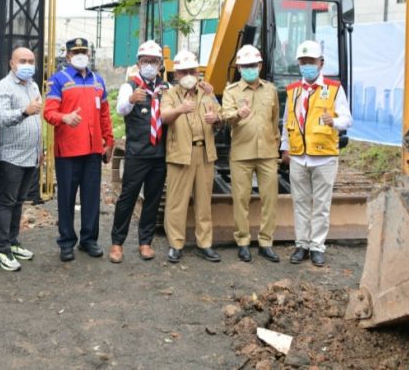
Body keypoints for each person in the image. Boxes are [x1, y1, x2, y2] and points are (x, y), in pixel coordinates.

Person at [281, 40, 352, 267]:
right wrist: (284, 147)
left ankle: (317, 246)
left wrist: (335, 122)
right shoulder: (293, 91)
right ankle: (301, 244)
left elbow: (348, 119)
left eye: (310, 61)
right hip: (298, 157)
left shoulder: (333, 88)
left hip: (324, 157)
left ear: (321, 63)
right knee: (300, 203)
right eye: (303, 62)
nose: (306, 66)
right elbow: (287, 122)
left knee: (321, 204)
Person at [43, 38, 114, 262]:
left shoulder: (98, 81)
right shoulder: (58, 81)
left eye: (84, 51)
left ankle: (89, 240)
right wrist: (64, 117)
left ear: (89, 54)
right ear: (68, 56)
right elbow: (48, 112)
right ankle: (66, 242)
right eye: (76, 52)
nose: (81, 55)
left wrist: (109, 140)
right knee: (66, 197)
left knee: (92, 197)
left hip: (93, 150)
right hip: (68, 151)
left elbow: (104, 114)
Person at [109, 40, 168, 263]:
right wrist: (132, 100)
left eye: (154, 61)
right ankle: (117, 244)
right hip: (137, 153)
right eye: (145, 61)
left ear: (160, 64)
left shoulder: (166, 89)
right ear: (138, 63)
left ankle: (145, 242)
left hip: (159, 154)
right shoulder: (129, 86)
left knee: (153, 199)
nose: (149, 65)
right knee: (128, 198)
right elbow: (121, 108)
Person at [160, 50, 222, 264]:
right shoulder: (170, 94)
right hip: (180, 154)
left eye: (192, 71)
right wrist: (180, 109)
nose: (188, 75)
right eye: (183, 71)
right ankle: (176, 244)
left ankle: (205, 243)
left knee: (204, 203)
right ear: (176, 74)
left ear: (198, 72)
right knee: (176, 202)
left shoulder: (206, 92)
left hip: (205, 153)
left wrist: (216, 118)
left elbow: (219, 114)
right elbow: (165, 117)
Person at [221, 45, 281, 263]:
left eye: (253, 66)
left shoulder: (271, 90)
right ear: (238, 67)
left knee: (269, 199)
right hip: (241, 152)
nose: (249, 69)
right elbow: (225, 116)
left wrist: (277, 145)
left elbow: (275, 121)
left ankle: (266, 242)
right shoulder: (232, 91)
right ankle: (243, 242)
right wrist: (238, 113)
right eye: (245, 66)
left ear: (260, 66)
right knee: (241, 200)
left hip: (267, 152)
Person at [0, 47, 43, 272]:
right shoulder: (3, 86)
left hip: (30, 154)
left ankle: (13, 241)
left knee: (19, 201)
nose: (28, 64)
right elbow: (1, 118)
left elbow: (37, 118)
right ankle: (1, 249)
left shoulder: (32, 84)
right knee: (7, 202)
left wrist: (39, 148)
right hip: (10, 155)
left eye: (31, 60)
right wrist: (24, 111)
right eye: (22, 60)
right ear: (12, 63)